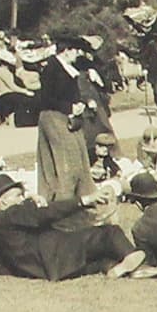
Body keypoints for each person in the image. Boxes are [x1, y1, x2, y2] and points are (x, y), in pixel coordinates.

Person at [0, 173, 146, 281]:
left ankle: (113, 267)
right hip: (56, 254)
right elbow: (48, 213)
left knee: (98, 259)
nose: (23, 198)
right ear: (4, 201)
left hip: (47, 270)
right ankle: (134, 258)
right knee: (109, 233)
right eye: (18, 196)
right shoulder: (12, 213)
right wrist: (84, 200)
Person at [35, 34, 97, 229]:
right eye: (76, 51)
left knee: (77, 158)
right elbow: (45, 99)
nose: (78, 55)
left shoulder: (66, 67)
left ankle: (77, 202)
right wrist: (70, 107)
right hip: (53, 118)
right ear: (66, 50)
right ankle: (63, 209)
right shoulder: (52, 68)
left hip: (66, 117)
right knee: (65, 164)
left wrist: (82, 104)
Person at [0, 49, 37, 126]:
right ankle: (19, 119)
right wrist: (25, 91)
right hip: (6, 94)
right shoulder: (3, 71)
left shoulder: (6, 71)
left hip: (10, 93)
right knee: (25, 99)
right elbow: (12, 86)